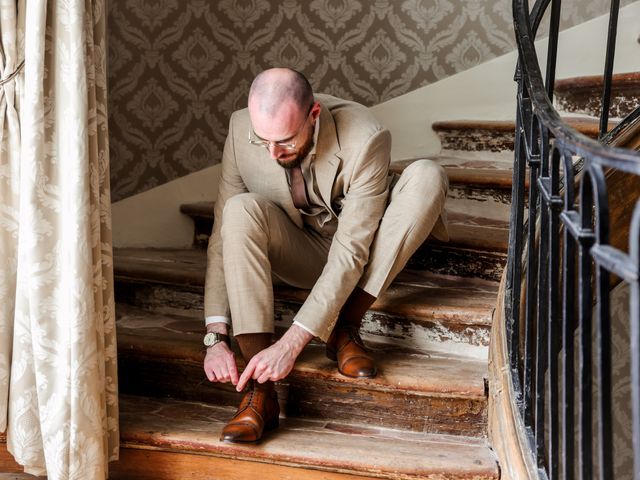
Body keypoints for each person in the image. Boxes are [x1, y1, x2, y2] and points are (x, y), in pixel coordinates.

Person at [202, 68, 449, 443]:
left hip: (365, 249)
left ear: (313, 115)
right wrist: (215, 336)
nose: (272, 152)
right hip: (299, 249)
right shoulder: (240, 129)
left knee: (428, 175)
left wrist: (292, 343)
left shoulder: (366, 137)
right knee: (237, 209)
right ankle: (259, 391)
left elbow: (351, 250)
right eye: (262, 140)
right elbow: (223, 233)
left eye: (284, 140)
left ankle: (344, 326)